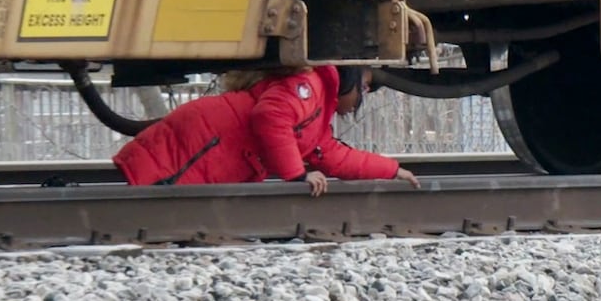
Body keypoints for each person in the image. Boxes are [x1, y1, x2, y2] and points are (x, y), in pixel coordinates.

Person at [113, 65, 420, 195]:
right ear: (348, 79)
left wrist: (393, 170)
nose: (363, 95)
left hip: (211, 144)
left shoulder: (317, 114)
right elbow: (270, 117)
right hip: (203, 141)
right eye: (364, 87)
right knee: (150, 193)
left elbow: (337, 158)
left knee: (154, 199)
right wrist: (297, 175)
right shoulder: (310, 87)